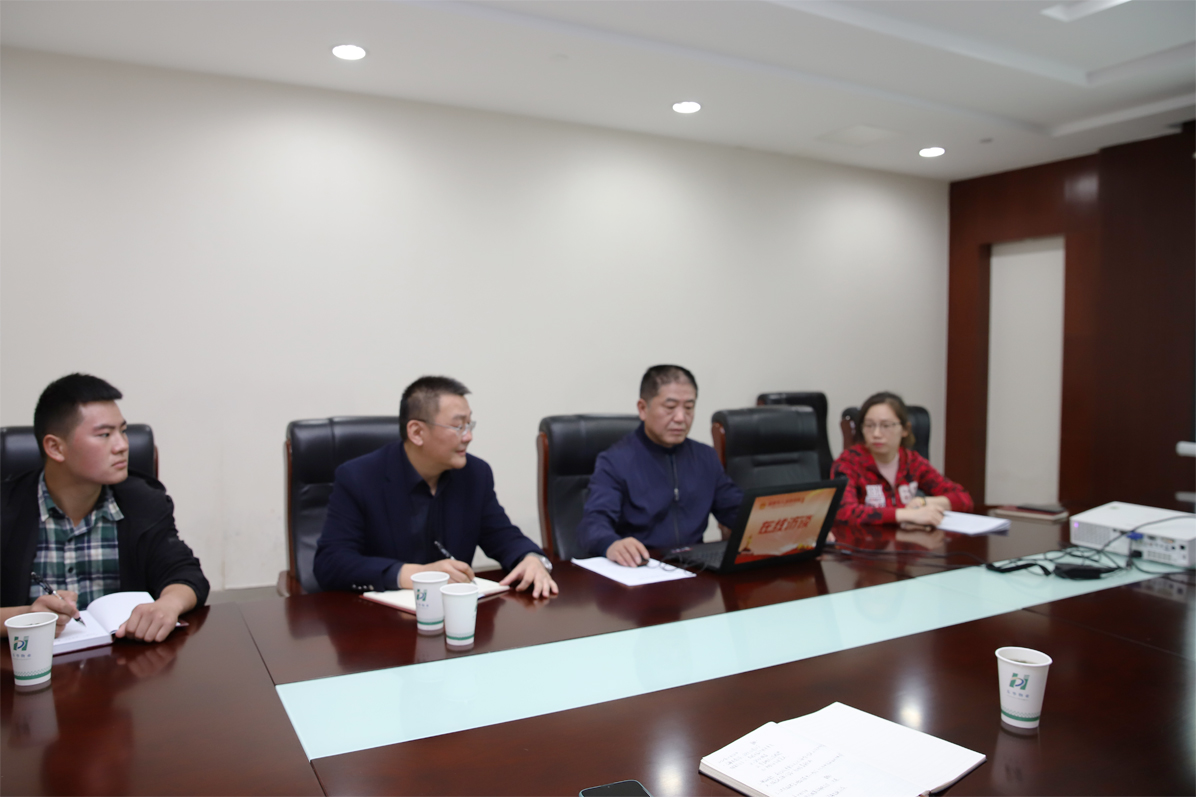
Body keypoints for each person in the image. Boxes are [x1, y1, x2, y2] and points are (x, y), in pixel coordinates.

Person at [1, 374, 209, 642]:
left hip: (123, 660)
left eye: (123, 431)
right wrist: (27, 616)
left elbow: (186, 574)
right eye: (105, 435)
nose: (122, 445)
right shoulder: (7, 509)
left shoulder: (143, 502)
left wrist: (168, 605)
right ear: (55, 447)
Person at [313, 376, 557, 598]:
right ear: (417, 432)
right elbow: (331, 563)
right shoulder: (359, 477)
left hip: (456, 617)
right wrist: (414, 575)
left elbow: (502, 535)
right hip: (378, 620)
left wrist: (530, 558)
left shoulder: (475, 474)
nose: (468, 436)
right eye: (458, 426)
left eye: (469, 425)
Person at [576, 365, 743, 567]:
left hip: (696, 569)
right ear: (643, 408)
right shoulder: (616, 461)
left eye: (688, 408)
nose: (680, 418)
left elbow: (737, 512)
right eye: (670, 407)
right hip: (642, 568)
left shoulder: (705, 457)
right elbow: (593, 523)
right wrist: (611, 544)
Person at [831, 391, 973, 526]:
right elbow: (844, 512)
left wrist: (923, 502)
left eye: (886, 425)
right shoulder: (848, 463)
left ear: (905, 429)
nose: (876, 434)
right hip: (865, 541)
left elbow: (963, 498)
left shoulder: (912, 462)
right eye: (869, 425)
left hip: (908, 539)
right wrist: (906, 515)